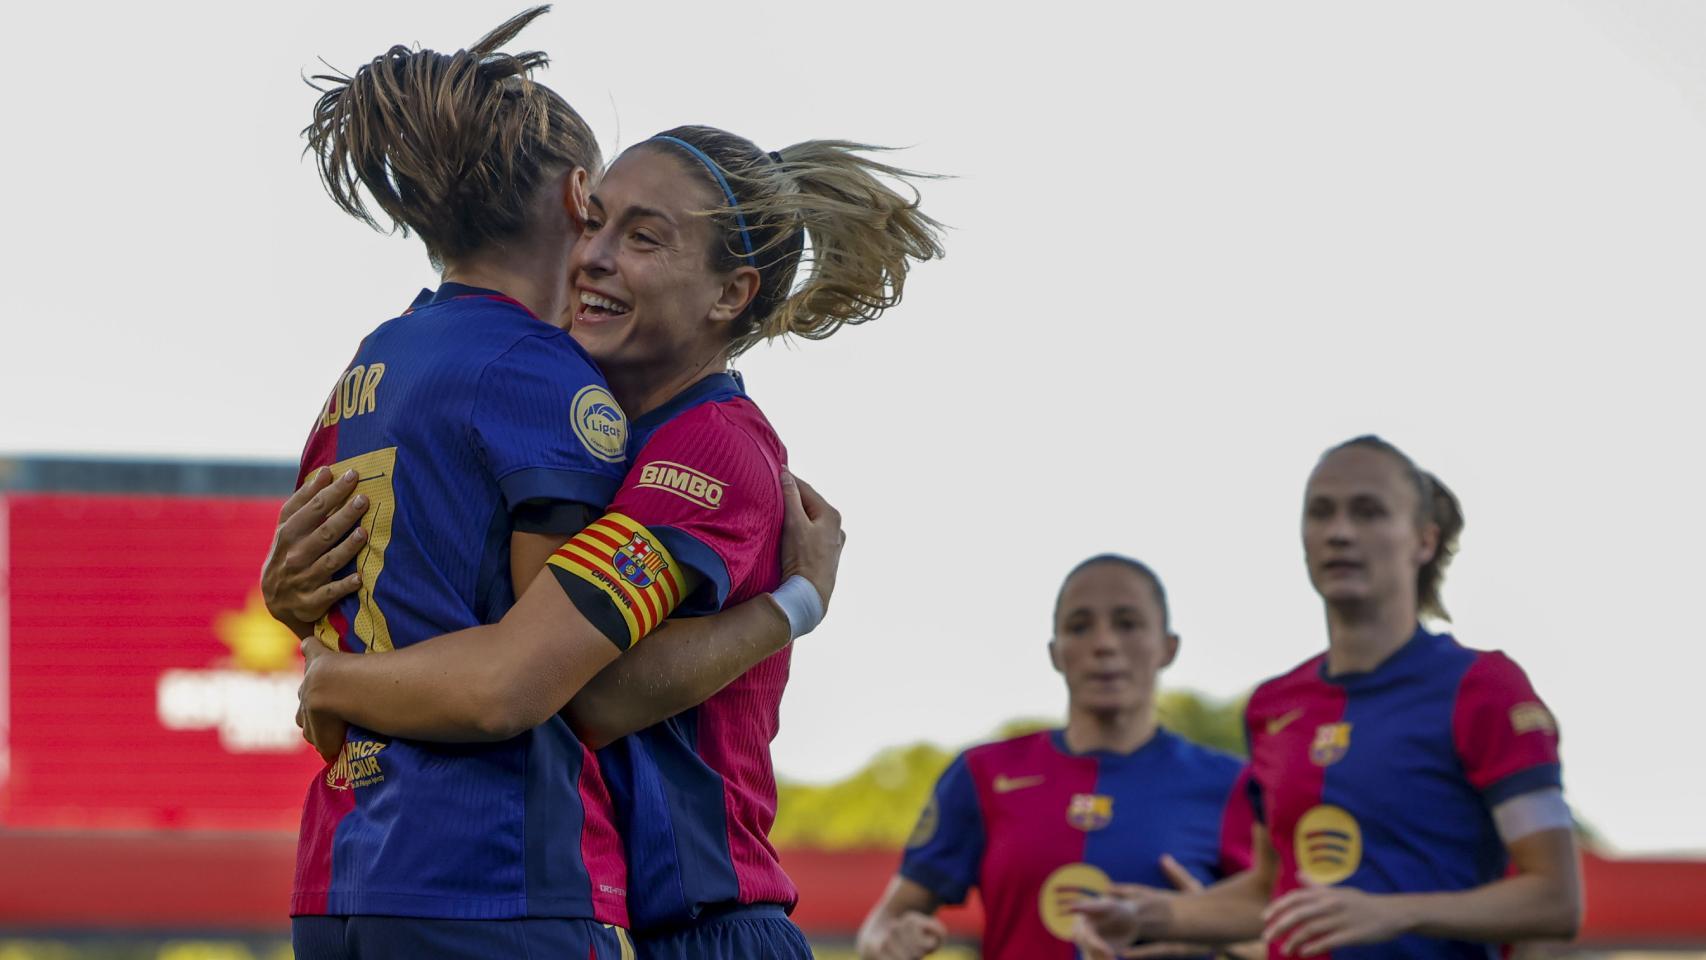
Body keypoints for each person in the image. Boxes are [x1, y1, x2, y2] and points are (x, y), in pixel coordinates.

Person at [273, 123, 944, 959]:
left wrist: (341, 681)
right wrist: (294, 591)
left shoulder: (710, 446)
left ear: (729, 295)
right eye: (594, 220)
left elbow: (585, 694)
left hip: (705, 932)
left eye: (644, 238)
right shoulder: (574, 432)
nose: (592, 254)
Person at [1072, 436, 1582, 960]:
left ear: (1423, 541)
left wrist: (1397, 911)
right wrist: (1147, 916)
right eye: (1321, 513)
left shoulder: (1483, 686)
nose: (1340, 532)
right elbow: (1267, 894)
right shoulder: (1273, 707)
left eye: (1368, 512)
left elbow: (1555, 899)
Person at [856, 555, 1254, 960]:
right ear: (1055, 651)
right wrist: (889, 943)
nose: (1104, 644)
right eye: (1079, 626)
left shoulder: (1233, 784)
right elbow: (881, 926)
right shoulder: (982, 774)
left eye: (1127, 623)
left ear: (1168, 647)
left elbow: (1285, 933)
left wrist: (1206, 928)